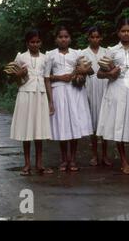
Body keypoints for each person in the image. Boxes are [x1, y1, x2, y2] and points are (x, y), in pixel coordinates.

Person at [96, 18, 129, 175]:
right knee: (119, 124)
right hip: (117, 89)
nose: (126, 33)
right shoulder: (111, 50)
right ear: (118, 32)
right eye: (123, 31)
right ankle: (124, 161)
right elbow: (99, 74)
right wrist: (110, 73)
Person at [44, 26, 94, 172]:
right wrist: (59, 77)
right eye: (60, 37)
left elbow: (90, 70)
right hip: (58, 91)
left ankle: (72, 159)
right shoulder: (50, 55)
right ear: (56, 39)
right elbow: (46, 76)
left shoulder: (77, 54)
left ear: (70, 38)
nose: (63, 39)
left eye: (66, 37)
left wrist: (80, 71)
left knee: (74, 123)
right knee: (63, 124)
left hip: (75, 91)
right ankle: (63, 158)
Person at [10, 29, 53, 176]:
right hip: (25, 94)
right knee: (27, 129)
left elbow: (47, 79)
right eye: (32, 42)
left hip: (40, 95)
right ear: (27, 43)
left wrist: (51, 101)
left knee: (38, 129)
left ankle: (39, 163)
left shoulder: (46, 58)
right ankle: (27, 163)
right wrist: (19, 75)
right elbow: (14, 78)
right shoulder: (21, 57)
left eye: (37, 41)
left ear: (41, 42)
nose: (35, 44)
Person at [82, 26, 112, 167]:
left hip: (105, 87)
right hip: (90, 88)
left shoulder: (107, 52)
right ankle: (94, 154)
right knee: (93, 122)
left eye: (97, 37)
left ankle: (105, 155)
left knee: (105, 121)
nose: (95, 39)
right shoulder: (82, 53)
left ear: (101, 38)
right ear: (88, 38)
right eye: (92, 37)